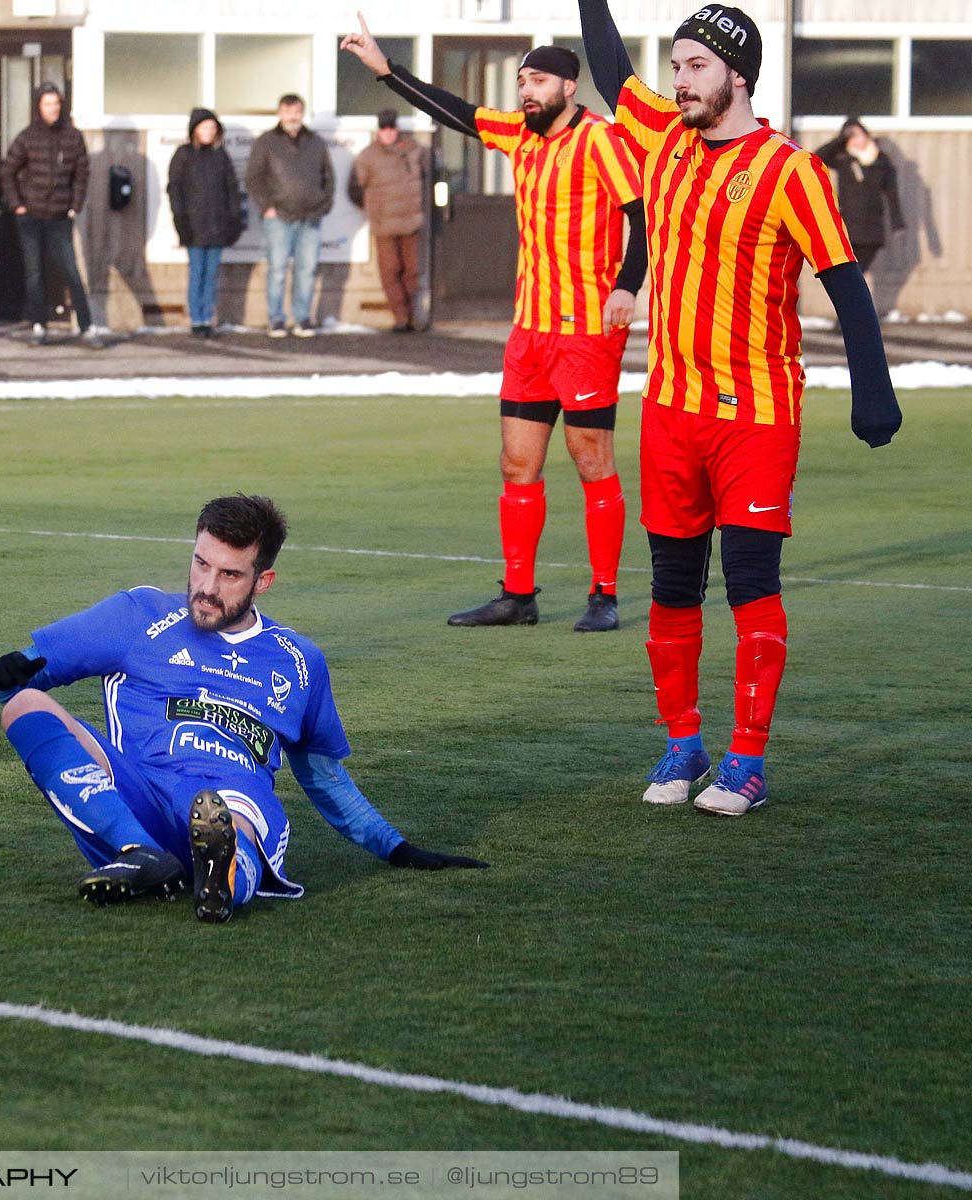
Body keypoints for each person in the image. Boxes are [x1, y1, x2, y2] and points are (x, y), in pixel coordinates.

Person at [576, 0, 902, 814]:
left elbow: (844, 281)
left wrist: (875, 392)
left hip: (755, 413)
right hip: (670, 411)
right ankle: (681, 745)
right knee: (675, 584)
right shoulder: (664, 139)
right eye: (676, 66)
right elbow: (614, 74)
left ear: (738, 75)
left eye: (695, 66)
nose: (678, 81)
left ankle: (747, 763)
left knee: (752, 580)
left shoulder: (791, 170)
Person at [0, 494, 488, 924]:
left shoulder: (298, 660)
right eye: (201, 563)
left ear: (262, 581)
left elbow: (323, 776)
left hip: (231, 800)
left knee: (226, 810)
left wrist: (396, 847)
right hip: (135, 796)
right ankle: (139, 853)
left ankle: (222, 879)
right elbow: (21, 676)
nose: (207, 586)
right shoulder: (139, 615)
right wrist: (7, 674)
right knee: (27, 706)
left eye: (229, 574)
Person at [342, 21, 647, 633]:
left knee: (591, 459)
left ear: (569, 84)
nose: (526, 92)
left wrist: (626, 286)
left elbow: (641, 219)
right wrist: (385, 69)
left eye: (536, 81)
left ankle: (604, 595)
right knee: (516, 464)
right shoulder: (520, 135)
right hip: (529, 333)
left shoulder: (604, 142)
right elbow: (454, 111)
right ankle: (517, 595)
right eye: (521, 82)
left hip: (587, 330)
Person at [0, 83, 103, 348]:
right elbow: (7, 171)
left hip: (60, 216)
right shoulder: (26, 137)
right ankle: (38, 325)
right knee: (34, 272)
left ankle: (87, 326)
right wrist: (18, 205)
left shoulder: (72, 137)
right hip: (31, 216)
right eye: (47, 104)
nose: (52, 109)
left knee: (71, 270)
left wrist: (75, 205)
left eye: (56, 104)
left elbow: (82, 173)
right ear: (39, 106)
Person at [244, 95, 334, 338]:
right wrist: (266, 206)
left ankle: (302, 318)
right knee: (277, 270)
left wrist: (323, 206)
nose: (293, 117)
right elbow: (253, 178)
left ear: (303, 113)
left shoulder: (315, 142)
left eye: (297, 112)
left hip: (310, 217)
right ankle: (276, 319)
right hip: (278, 217)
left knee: (306, 270)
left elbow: (329, 177)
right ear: (279, 113)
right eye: (288, 111)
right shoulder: (266, 142)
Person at [165, 107, 245, 338]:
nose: (208, 132)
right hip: (194, 226)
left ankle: (207, 318)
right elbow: (175, 189)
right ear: (194, 130)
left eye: (212, 127)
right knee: (197, 272)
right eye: (204, 127)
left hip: (217, 226)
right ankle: (196, 319)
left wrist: (234, 220)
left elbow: (231, 189)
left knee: (211, 274)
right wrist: (181, 221)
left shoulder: (221, 156)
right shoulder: (183, 155)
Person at [349, 109, 427, 332]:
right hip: (384, 225)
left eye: (392, 128)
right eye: (384, 129)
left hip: (411, 222)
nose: (389, 133)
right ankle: (401, 317)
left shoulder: (414, 150)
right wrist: (373, 209)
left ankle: (412, 316)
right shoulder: (367, 156)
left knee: (411, 271)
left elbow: (428, 179)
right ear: (378, 130)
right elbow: (354, 188)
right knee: (391, 270)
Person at [815, 118, 905, 278]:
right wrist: (840, 139)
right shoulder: (843, 159)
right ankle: (852, 301)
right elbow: (817, 157)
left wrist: (897, 222)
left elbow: (891, 192)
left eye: (858, 134)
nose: (856, 140)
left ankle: (852, 300)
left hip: (872, 228)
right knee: (851, 273)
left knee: (857, 272)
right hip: (849, 227)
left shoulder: (881, 159)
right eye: (851, 136)